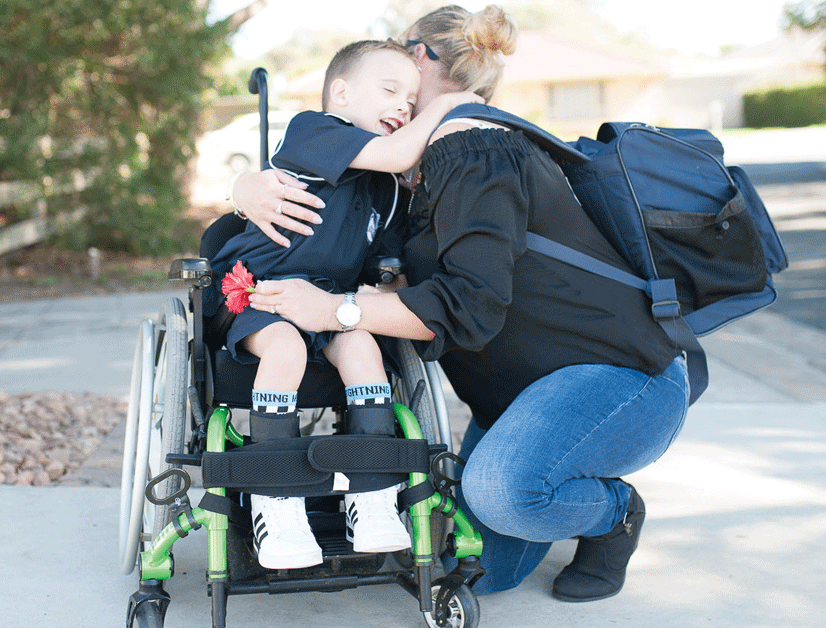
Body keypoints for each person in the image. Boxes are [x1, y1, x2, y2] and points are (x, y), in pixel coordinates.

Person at [228, 4, 690, 603]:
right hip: (519, 399)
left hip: (619, 379)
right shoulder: (407, 166)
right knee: (482, 572)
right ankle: (551, 468)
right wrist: (247, 188)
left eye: (398, 55)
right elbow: (334, 228)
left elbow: (469, 305)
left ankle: (614, 513)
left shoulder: (473, 148)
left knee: (506, 494)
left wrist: (337, 311)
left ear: (419, 57)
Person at [208, 39, 483, 570]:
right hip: (261, 290)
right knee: (285, 347)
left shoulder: (386, 191)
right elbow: (400, 152)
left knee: (362, 346)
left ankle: (372, 494)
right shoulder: (315, 131)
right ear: (340, 92)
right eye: (390, 91)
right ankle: (276, 502)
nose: (404, 106)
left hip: (326, 301)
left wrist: (391, 290)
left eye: (411, 98)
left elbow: (384, 261)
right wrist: (448, 104)